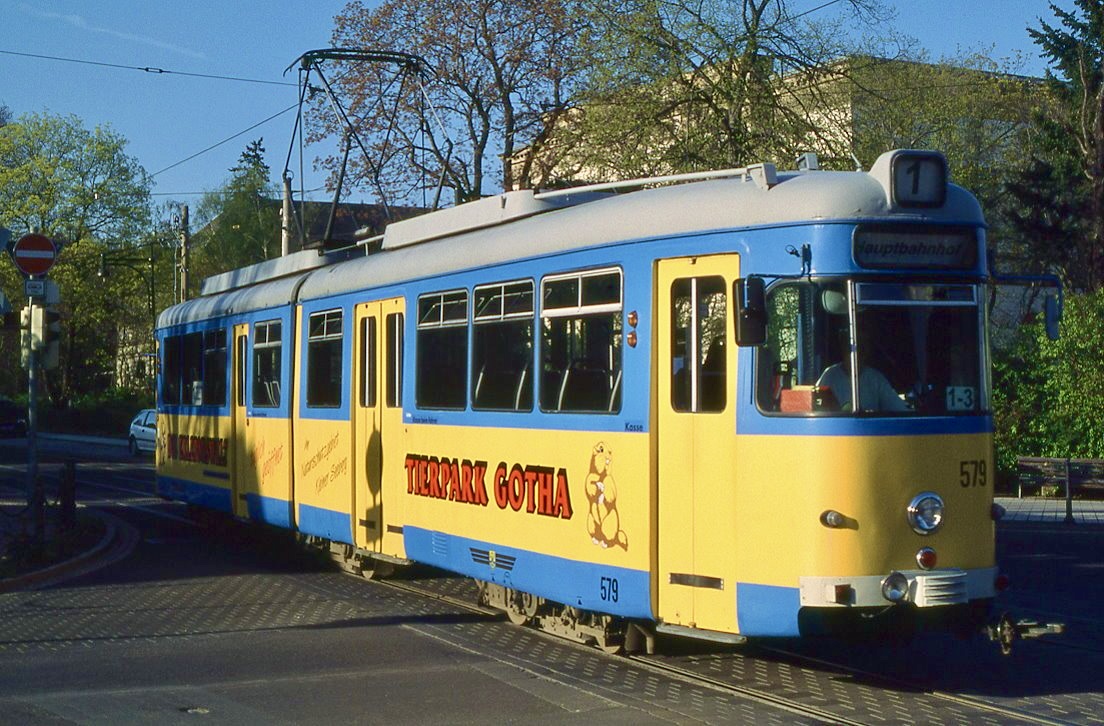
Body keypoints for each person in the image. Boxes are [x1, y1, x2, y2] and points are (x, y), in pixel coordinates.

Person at [816, 327, 908, 413]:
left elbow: (899, 409)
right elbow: (815, 406)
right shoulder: (830, 375)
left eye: (862, 349)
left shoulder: (876, 379)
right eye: (850, 350)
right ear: (843, 351)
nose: (857, 354)